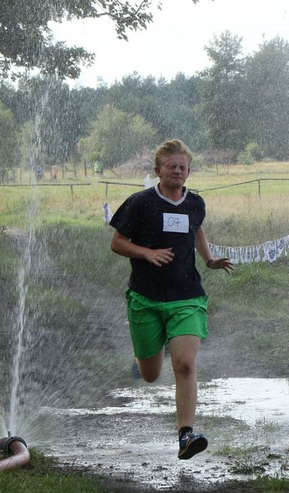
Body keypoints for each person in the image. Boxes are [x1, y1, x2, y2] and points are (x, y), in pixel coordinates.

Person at [109, 139, 233, 461]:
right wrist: (146, 253)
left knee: (185, 363)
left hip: (187, 296)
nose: (177, 171)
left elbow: (196, 230)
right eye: (171, 166)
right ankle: (145, 359)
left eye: (182, 167)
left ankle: (186, 435)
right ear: (157, 170)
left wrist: (208, 258)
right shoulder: (140, 203)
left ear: (189, 171)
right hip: (146, 298)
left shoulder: (195, 203)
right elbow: (117, 242)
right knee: (150, 375)